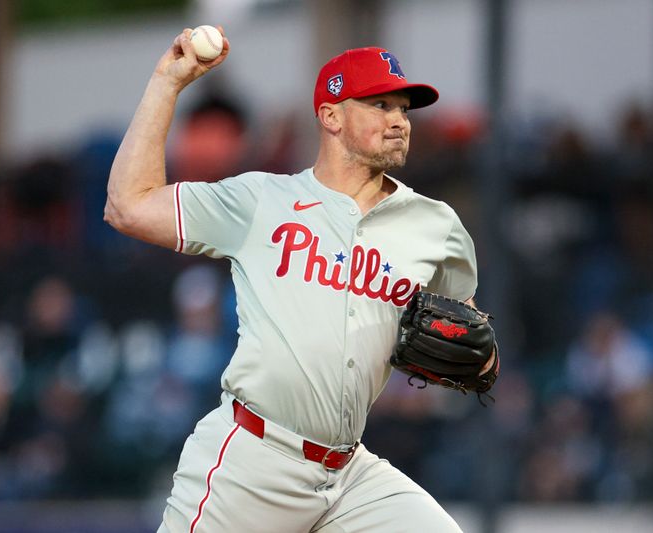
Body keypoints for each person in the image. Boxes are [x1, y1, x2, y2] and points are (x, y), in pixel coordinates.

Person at [105, 26, 495, 533]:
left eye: (403, 109)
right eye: (380, 105)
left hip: (349, 475)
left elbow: (472, 341)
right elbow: (127, 206)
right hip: (252, 463)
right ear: (330, 116)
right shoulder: (260, 201)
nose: (399, 120)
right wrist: (166, 83)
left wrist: (479, 359)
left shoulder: (436, 227)